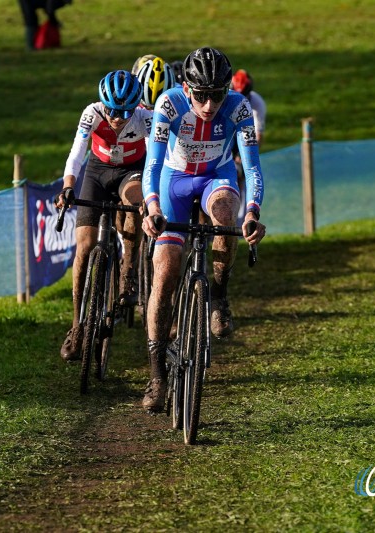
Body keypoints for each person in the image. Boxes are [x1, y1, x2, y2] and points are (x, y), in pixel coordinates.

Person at [140, 47, 267, 411]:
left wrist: (252, 214)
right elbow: (152, 165)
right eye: (201, 95)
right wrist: (151, 209)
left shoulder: (239, 107)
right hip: (173, 181)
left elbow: (254, 170)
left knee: (227, 216)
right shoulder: (168, 105)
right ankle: (156, 376)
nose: (210, 105)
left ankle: (219, 297)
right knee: (165, 272)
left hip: (216, 177)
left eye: (217, 95)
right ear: (185, 87)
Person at [54, 70, 152, 362]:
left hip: (129, 173)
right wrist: (68, 186)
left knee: (136, 203)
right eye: (112, 110)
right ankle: (76, 326)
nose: (118, 117)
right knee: (84, 247)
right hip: (97, 172)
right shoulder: (92, 113)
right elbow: (76, 153)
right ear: (102, 104)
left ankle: (127, 273)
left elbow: (165, 152)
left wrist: (155, 194)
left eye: (124, 111)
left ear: (135, 106)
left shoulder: (146, 118)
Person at [230, 68, 267, 219]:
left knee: (241, 173)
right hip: (227, 136)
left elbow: (258, 136)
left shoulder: (257, 103)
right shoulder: (226, 98)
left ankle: (239, 218)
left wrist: (243, 157)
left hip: (244, 138)